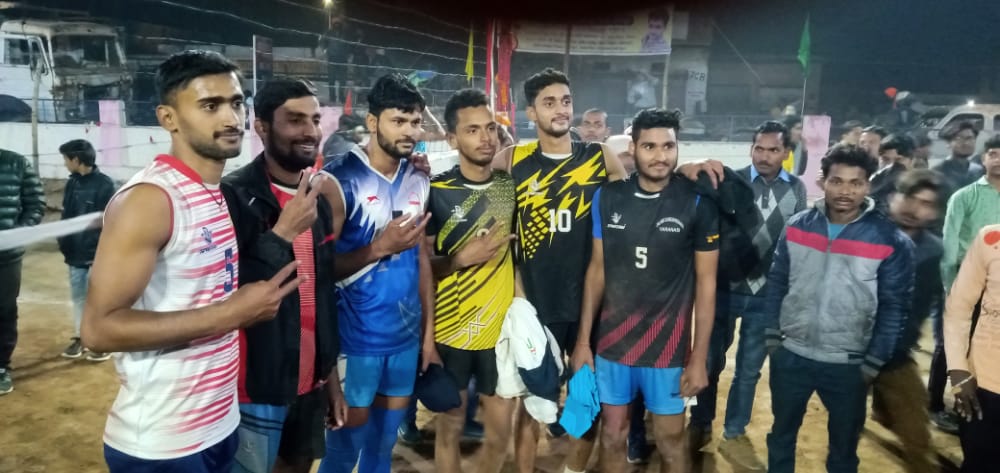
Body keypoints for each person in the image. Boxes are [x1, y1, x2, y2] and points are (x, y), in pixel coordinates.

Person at [82, 50, 303, 472]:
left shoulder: (213, 191)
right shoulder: (151, 200)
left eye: (236, 103)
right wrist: (232, 314)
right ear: (169, 118)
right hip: (163, 444)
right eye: (210, 105)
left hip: (218, 424)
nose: (231, 118)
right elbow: (98, 329)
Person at [493, 67, 630, 473]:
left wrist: (690, 169)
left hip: (590, 305)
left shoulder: (600, 157)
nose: (561, 109)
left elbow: (638, 204)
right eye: (549, 102)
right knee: (531, 402)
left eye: (566, 101)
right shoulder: (511, 161)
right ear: (531, 112)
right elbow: (498, 237)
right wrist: (517, 295)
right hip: (535, 305)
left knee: (586, 399)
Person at [571, 107, 719, 473]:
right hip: (613, 346)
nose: (660, 156)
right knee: (612, 435)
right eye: (649, 146)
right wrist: (583, 342)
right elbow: (597, 270)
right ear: (633, 148)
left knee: (670, 442)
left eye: (668, 146)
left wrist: (699, 358)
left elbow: (707, 284)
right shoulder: (608, 197)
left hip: (668, 350)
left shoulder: (697, 203)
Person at [764, 145, 914, 473]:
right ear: (823, 182)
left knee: (844, 450)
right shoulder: (798, 225)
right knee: (781, 436)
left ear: (868, 185)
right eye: (837, 181)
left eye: (855, 183)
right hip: (792, 356)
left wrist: (873, 361)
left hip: (849, 364)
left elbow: (894, 307)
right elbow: (777, 281)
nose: (845, 191)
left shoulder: (889, 239)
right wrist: (773, 336)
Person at [221, 79, 345, 473]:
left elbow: (321, 294)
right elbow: (230, 294)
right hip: (256, 388)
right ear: (261, 127)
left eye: (315, 120)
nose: (310, 131)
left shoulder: (316, 198)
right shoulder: (233, 196)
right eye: (295, 120)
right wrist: (282, 234)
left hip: (311, 383)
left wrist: (329, 379)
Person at [317, 73, 433, 473]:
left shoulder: (419, 177)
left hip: (404, 339)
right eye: (398, 121)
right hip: (355, 342)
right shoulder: (336, 181)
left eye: (415, 122)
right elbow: (318, 270)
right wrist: (379, 248)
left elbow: (421, 261)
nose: (409, 131)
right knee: (343, 451)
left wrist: (428, 336)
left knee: (383, 448)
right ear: (372, 122)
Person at [689, 120, 806, 470]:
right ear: (750, 149)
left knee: (749, 370)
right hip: (723, 291)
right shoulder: (730, 181)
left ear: (786, 153)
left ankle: (734, 427)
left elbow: (795, 243)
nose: (765, 156)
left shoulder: (797, 189)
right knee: (711, 361)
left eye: (773, 150)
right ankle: (701, 420)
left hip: (766, 296)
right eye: (759, 148)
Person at [424, 88, 517, 473]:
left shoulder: (510, 186)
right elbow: (421, 268)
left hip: (501, 333)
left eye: (490, 128)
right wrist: (460, 259)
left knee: (500, 433)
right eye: (472, 130)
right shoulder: (435, 191)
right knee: (450, 427)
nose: (485, 138)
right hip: (452, 332)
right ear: (451, 138)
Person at [870, 170, 944, 473]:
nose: (914, 209)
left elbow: (924, 308)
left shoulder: (934, 252)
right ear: (892, 198)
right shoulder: (864, 235)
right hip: (849, 350)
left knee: (917, 436)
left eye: (925, 203)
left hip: (895, 355)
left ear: (935, 212)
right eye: (909, 198)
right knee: (842, 427)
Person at [944, 223, 1000, 472]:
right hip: (983, 386)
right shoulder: (990, 239)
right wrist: (957, 369)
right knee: (979, 463)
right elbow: (959, 306)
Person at [56, 139, 115, 361]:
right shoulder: (72, 183)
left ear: (76, 160)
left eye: (66, 159)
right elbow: (66, 215)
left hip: (96, 255)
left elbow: (111, 222)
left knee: (100, 300)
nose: (64, 163)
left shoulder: (105, 185)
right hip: (75, 253)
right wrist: (65, 242)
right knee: (79, 297)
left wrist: (103, 253)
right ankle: (82, 337)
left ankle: (102, 341)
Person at [0, 147, 44, 395]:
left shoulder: (16, 163)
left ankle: (1, 366)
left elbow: (36, 205)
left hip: (6, 258)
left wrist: (16, 234)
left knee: (4, 311)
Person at [933, 120, 983, 200]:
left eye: (970, 138)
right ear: (948, 143)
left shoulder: (979, 171)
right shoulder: (937, 172)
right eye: (959, 138)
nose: (966, 143)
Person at [869, 133, 914, 210]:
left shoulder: (918, 190)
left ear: (911, 161)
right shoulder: (867, 183)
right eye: (886, 159)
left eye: (898, 160)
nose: (891, 166)